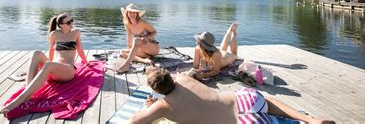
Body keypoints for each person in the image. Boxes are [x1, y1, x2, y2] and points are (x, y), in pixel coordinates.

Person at [128, 67, 335, 124]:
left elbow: (134, 122)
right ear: (171, 78)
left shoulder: (164, 107)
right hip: (244, 98)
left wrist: (150, 107)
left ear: (156, 90)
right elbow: (186, 78)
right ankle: (309, 119)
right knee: (268, 101)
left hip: (243, 121)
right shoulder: (183, 79)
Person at [0, 13, 89, 114]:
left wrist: (86, 63)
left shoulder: (76, 32)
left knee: (48, 65)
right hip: (54, 69)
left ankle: (20, 99)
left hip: (68, 71)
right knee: (36, 53)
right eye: (68, 22)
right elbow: (51, 50)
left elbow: (80, 50)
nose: (71, 23)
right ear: (61, 25)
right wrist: (50, 65)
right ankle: (28, 94)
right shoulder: (54, 34)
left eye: (71, 20)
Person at [116, 3, 160, 74]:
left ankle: (126, 65)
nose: (132, 14)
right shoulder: (127, 24)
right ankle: (144, 60)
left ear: (137, 14)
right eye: (130, 12)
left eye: (134, 12)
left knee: (136, 40)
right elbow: (129, 37)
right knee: (122, 53)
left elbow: (154, 32)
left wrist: (147, 37)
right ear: (127, 13)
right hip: (142, 50)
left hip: (152, 48)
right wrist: (130, 49)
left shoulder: (143, 23)